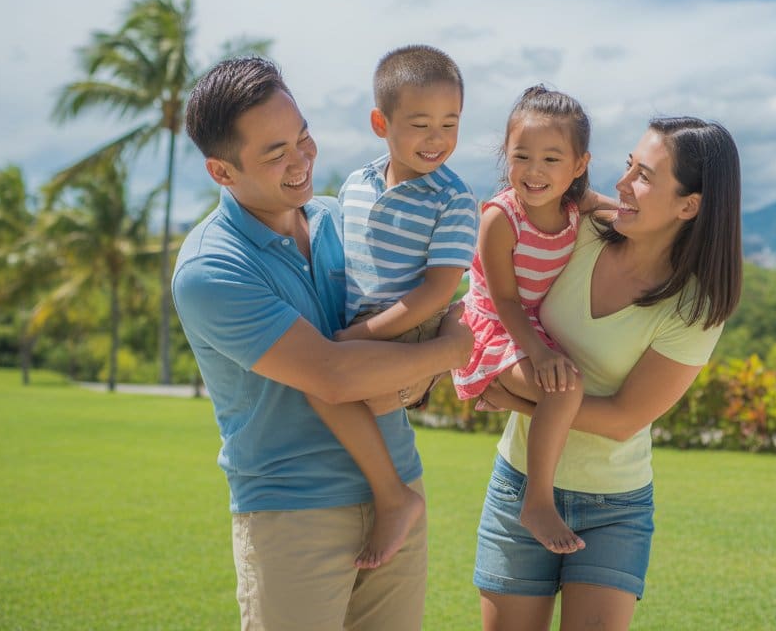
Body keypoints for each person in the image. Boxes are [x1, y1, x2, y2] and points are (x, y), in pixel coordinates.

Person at [171, 55, 472, 631]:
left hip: (402, 490)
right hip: (294, 512)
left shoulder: (343, 219)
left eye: (302, 137)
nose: (301, 159)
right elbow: (334, 375)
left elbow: (403, 338)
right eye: (274, 152)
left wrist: (417, 370)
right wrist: (451, 352)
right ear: (222, 172)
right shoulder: (212, 270)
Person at [474, 116, 743, 631]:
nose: (622, 185)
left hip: (614, 507)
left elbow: (623, 419)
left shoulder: (695, 307)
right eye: (627, 166)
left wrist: (516, 400)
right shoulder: (580, 234)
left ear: (690, 206)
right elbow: (501, 298)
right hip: (519, 483)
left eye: (644, 176)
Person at [299, 44, 479, 570]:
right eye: (420, 124)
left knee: (325, 387)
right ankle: (393, 494)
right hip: (363, 327)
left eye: (450, 124)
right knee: (330, 386)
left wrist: (358, 339)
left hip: (406, 329)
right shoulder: (355, 185)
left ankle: (395, 498)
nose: (437, 139)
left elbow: (435, 293)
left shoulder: (453, 199)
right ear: (381, 122)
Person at [452, 85, 613, 555]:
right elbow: (503, 299)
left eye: (551, 159)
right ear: (507, 156)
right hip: (495, 327)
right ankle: (537, 501)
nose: (534, 172)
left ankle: (505, 397)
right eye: (522, 157)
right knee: (565, 388)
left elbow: (623, 213)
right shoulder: (502, 217)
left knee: (563, 391)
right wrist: (539, 353)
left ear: (579, 165)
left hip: (531, 329)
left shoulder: (573, 205)